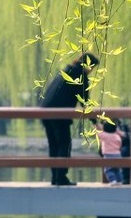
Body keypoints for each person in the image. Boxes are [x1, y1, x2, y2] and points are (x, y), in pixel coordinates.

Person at [41, 52, 99, 186]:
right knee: (64, 144)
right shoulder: (81, 75)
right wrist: (95, 121)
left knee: (54, 145)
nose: (91, 72)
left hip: (45, 110)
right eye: (92, 68)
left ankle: (55, 178)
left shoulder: (66, 71)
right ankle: (61, 177)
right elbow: (85, 101)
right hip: (59, 113)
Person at [97, 120, 125, 185]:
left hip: (108, 155)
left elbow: (98, 132)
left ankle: (113, 180)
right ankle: (119, 180)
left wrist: (95, 124)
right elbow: (120, 144)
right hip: (118, 155)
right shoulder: (117, 136)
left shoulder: (105, 136)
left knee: (108, 170)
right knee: (117, 169)